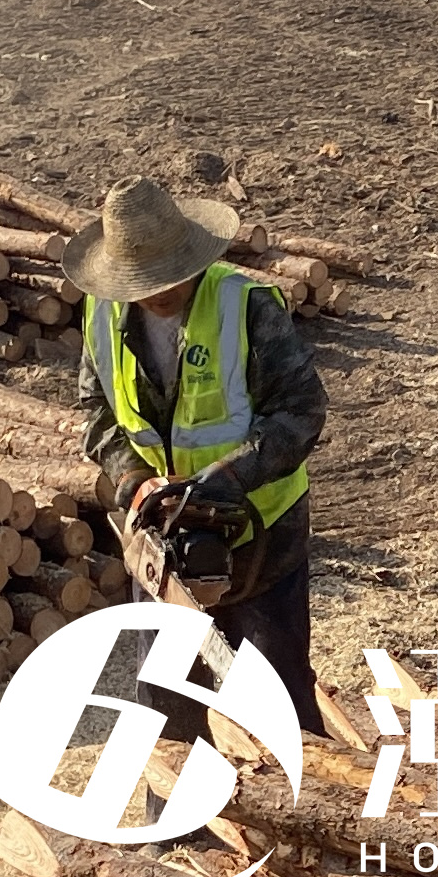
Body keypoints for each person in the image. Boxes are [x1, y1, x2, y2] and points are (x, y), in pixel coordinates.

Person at [68, 175, 328, 735]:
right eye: (144, 280)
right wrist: (134, 479)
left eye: (168, 275)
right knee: (165, 702)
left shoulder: (246, 307)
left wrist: (228, 477)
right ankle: (180, 788)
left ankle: (306, 787)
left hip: (260, 532)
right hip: (162, 535)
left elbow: (302, 410)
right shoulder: (101, 316)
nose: (158, 291)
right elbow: (97, 411)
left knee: (279, 695)